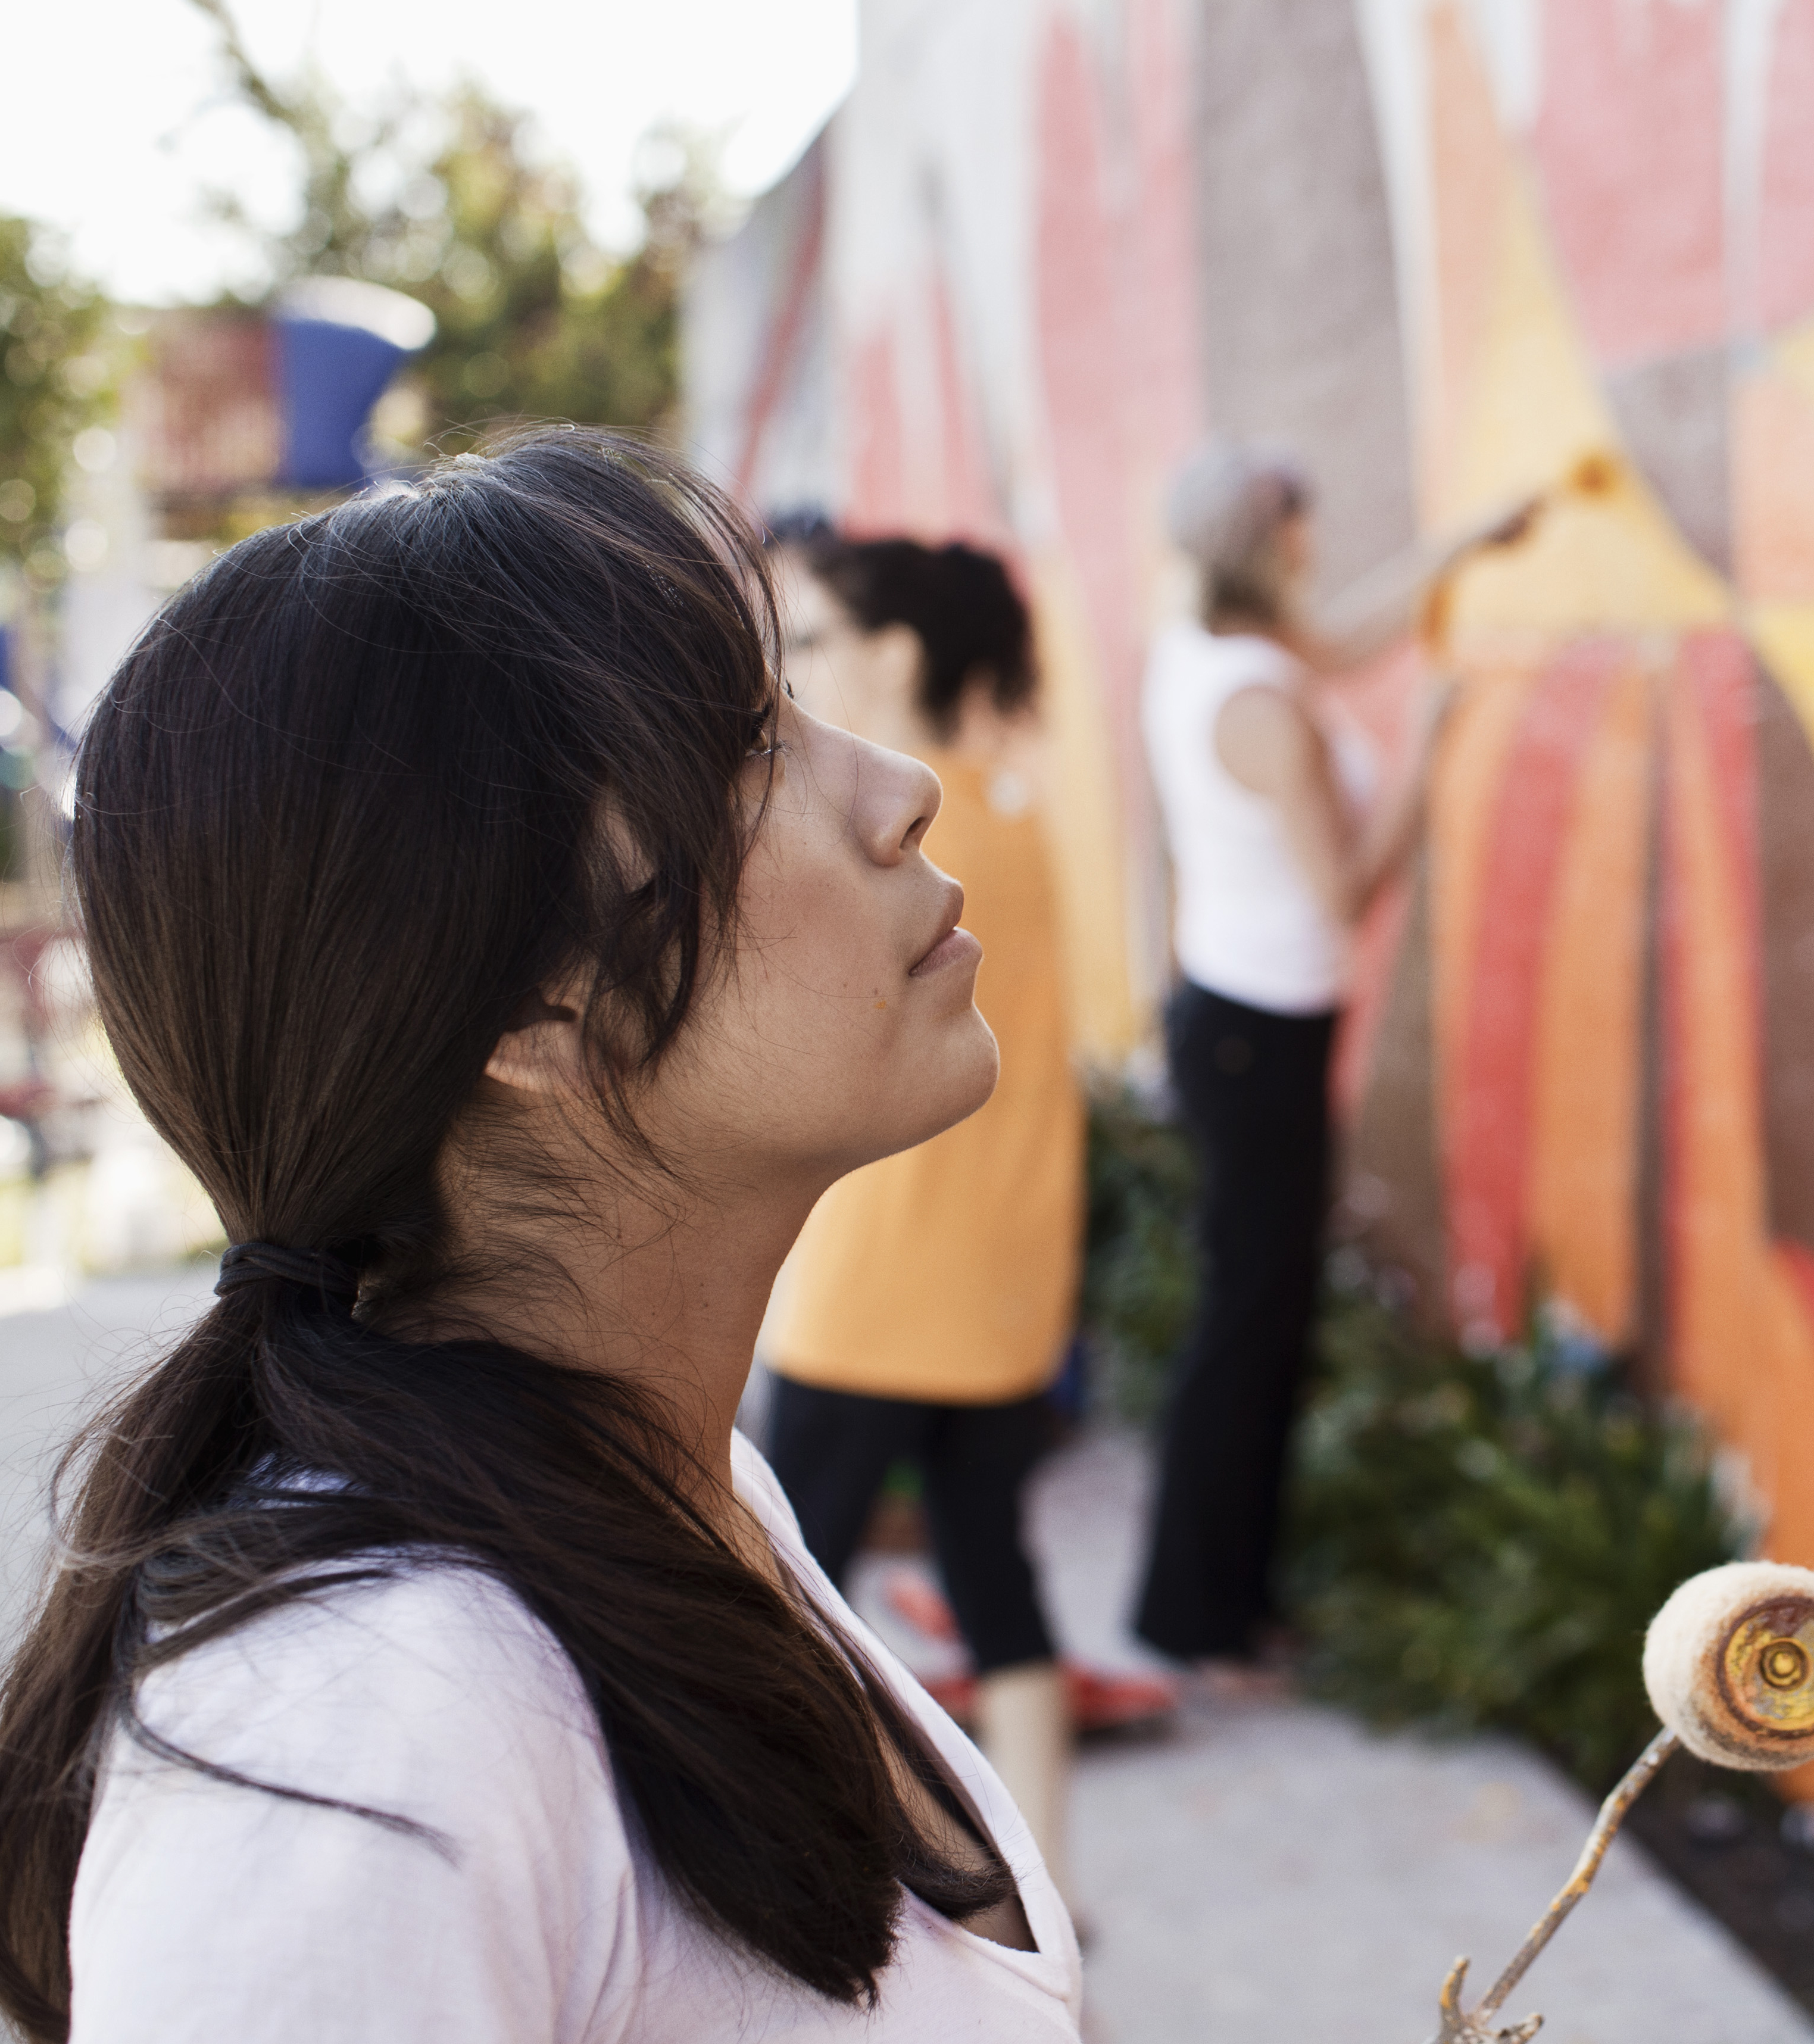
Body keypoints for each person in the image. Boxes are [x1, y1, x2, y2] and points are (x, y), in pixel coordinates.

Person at [0, 432, 1078, 2039]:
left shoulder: (676, 1490)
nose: (894, 789)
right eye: (746, 748)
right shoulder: (360, 1731)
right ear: (525, 1008)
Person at [761, 532, 1157, 1906]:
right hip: (1001, 1282)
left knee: (771, 1601)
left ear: (896, 656)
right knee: (999, 1584)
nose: (795, 671)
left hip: (870, 1286)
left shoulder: (894, 841)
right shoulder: (1024, 815)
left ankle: (811, 1881)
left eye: (814, 641)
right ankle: (1035, 1890)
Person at [1132, 444, 1534, 1673]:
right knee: (1251, 1322)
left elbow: (1350, 635)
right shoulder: (1259, 706)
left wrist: (1469, 539)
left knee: (1261, 1311)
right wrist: (1433, 740)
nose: (1316, 546)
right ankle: (1202, 1621)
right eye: (1302, 530)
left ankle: (1219, 1606)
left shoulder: (1221, 649)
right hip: (1256, 1037)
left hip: (1246, 1021)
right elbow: (1348, 888)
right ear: (1274, 545)